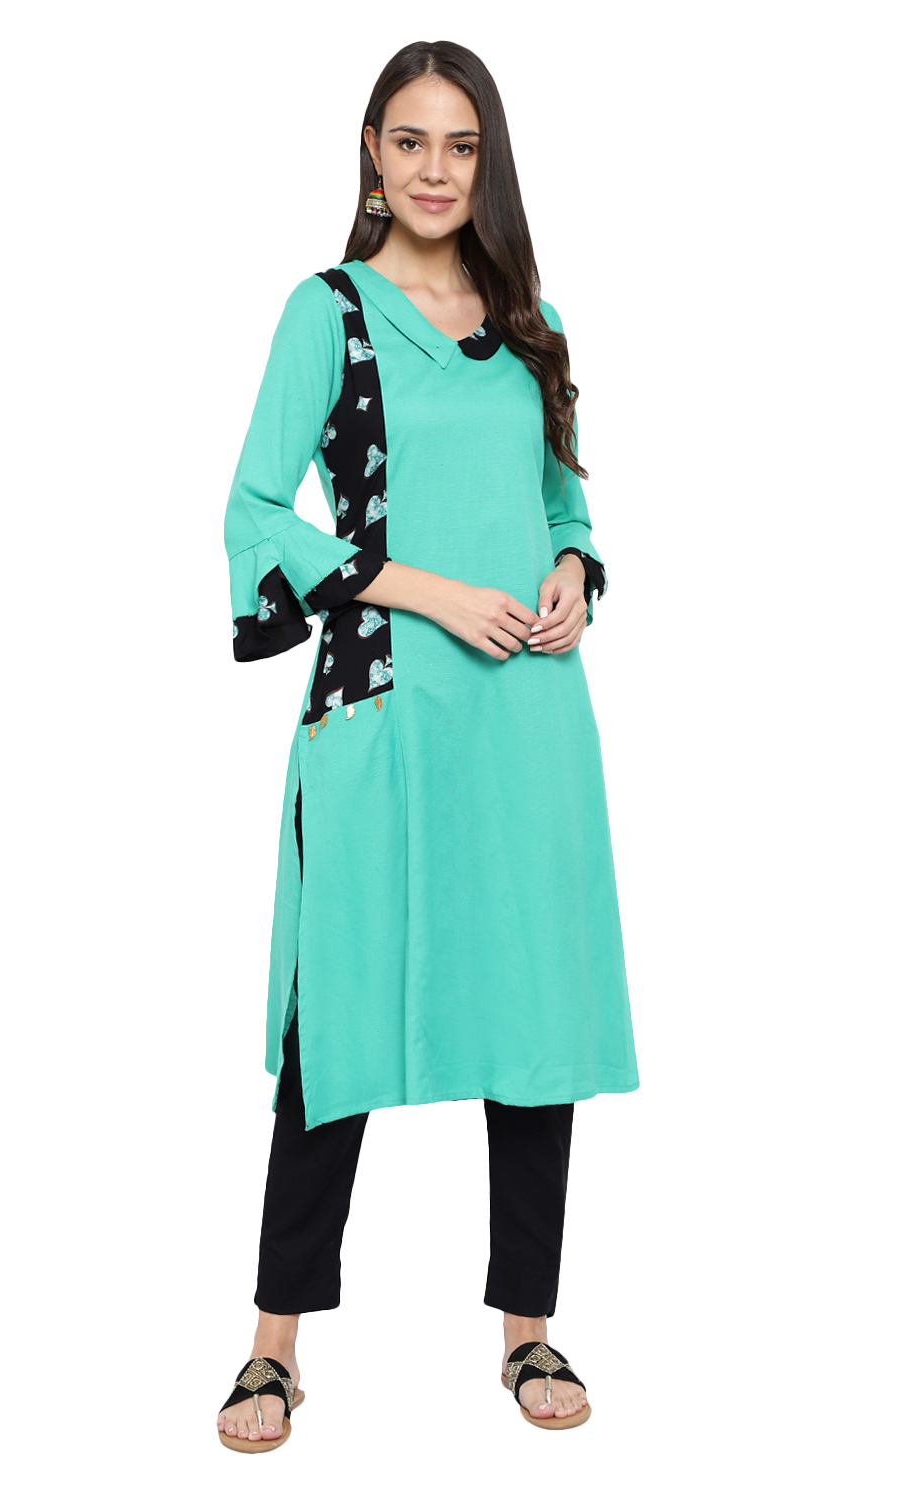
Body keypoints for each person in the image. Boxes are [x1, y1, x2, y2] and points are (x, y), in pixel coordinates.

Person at [215, 38, 639, 1452]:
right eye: (411, 142)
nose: (437, 171)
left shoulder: (533, 321)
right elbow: (255, 510)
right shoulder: (327, 313)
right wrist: (427, 589)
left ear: (488, 159)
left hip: (528, 718)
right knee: (338, 1008)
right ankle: (275, 1343)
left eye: (462, 146)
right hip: (386, 708)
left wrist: (572, 568)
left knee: (534, 1007)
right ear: (372, 153)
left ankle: (528, 1327)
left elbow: (564, 497)